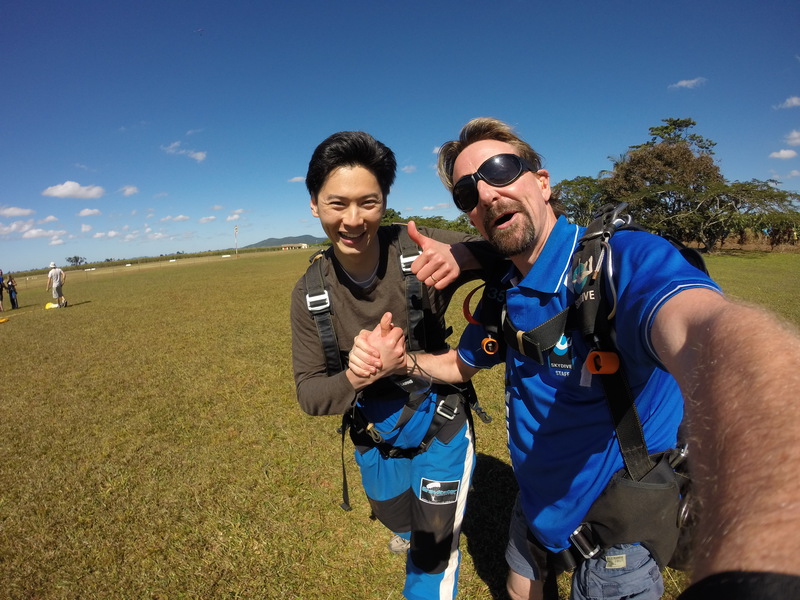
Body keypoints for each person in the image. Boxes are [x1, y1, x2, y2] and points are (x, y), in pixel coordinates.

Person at [350, 117, 800, 600]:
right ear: (472, 217)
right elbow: (461, 365)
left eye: (500, 169)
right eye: (466, 192)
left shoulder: (620, 262)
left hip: (618, 519)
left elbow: (708, 335)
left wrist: (771, 519)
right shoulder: (505, 290)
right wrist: (401, 363)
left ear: (543, 183)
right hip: (537, 501)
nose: (486, 193)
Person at [290, 130, 493, 600]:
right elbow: (309, 394)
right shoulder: (309, 293)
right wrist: (357, 374)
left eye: (369, 202)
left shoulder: (419, 246)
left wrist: (462, 256)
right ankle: (408, 526)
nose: (353, 219)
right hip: (374, 432)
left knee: (430, 556)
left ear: (384, 201)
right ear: (315, 205)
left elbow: (514, 248)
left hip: (440, 420)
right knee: (395, 515)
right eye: (337, 203)